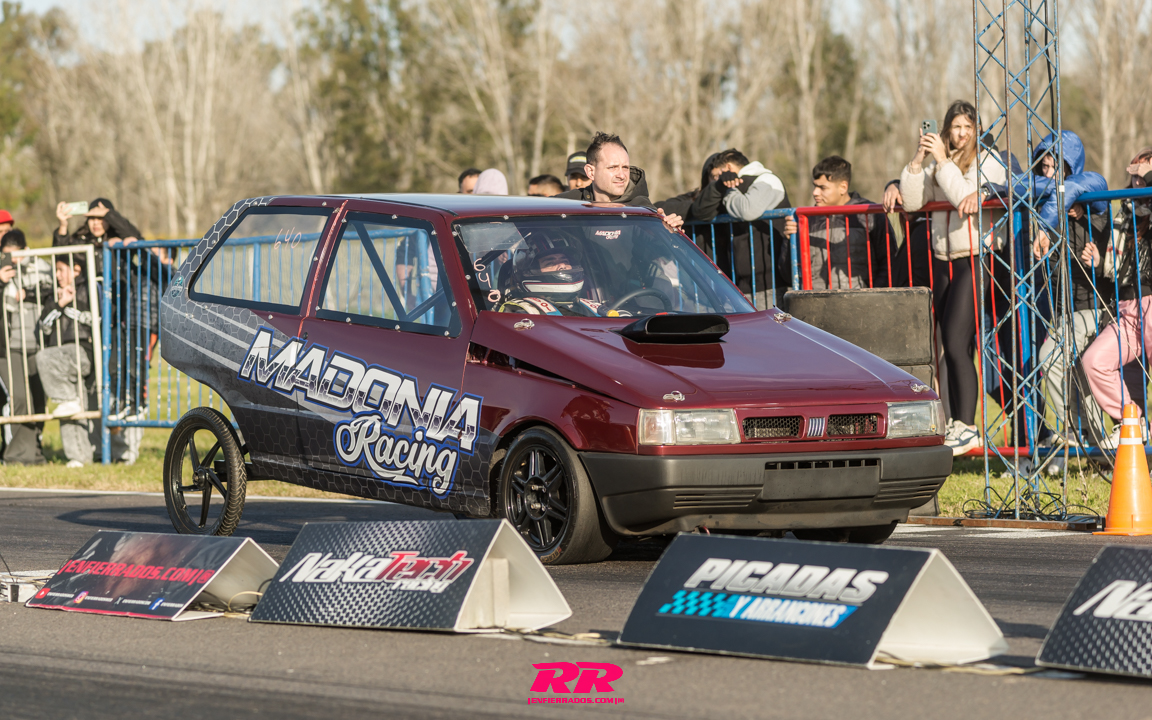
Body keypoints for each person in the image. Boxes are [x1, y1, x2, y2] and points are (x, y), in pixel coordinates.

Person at [899, 99, 1007, 456]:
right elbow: (913, 203)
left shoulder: (987, 161)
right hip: (945, 261)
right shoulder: (938, 164)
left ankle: (969, 426)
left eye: (967, 127)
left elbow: (963, 197)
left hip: (977, 258)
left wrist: (943, 161)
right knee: (949, 344)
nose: (961, 134)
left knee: (958, 341)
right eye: (955, 127)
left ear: (977, 130)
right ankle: (958, 424)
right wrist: (918, 161)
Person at [1021, 132, 1116, 453]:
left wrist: (1064, 204)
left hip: (1094, 306)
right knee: (1070, 372)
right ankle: (1090, 440)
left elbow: (1086, 183)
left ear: (1070, 166)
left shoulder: (1093, 201)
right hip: (1064, 310)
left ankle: (1082, 434)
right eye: (1044, 167)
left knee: (1053, 361)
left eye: (1055, 167)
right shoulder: (1049, 205)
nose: (1048, 174)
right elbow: (1018, 185)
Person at [54, 198, 153, 463]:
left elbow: (137, 238)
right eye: (92, 218)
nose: (97, 223)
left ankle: (124, 450)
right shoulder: (83, 242)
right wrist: (62, 225)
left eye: (102, 218)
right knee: (97, 384)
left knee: (121, 377)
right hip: (91, 322)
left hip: (120, 319)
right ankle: (100, 448)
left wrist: (110, 214)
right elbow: (61, 255)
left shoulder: (118, 241)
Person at [1083, 148, 1152, 449]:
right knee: (1094, 361)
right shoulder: (1124, 212)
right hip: (1126, 309)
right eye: (1135, 170)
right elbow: (1116, 267)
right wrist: (1099, 262)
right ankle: (1134, 424)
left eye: (1146, 170)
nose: (1139, 176)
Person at [686, 149, 790, 308]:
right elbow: (700, 212)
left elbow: (747, 210)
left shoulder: (768, 179)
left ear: (728, 168)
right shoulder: (726, 186)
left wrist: (729, 190)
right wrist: (718, 187)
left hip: (770, 284)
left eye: (718, 176)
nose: (717, 180)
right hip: (740, 285)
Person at [783, 156, 896, 290]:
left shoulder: (870, 214)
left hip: (859, 301)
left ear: (843, 187)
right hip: (815, 301)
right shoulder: (805, 219)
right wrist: (788, 241)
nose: (815, 192)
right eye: (815, 186)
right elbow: (787, 275)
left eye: (822, 187)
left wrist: (873, 296)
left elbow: (889, 262)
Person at [0, 229, 52, 465]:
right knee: (20, 398)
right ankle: (14, 455)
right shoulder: (2, 271)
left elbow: (52, 290)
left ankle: (34, 453)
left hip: (38, 344)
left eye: (16, 255)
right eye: (7, 255)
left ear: (26, 251)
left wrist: (27, 293)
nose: (13, 261)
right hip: (9, 347)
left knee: (38, 401)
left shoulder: (41, 267)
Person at [38, 255, 95, 467]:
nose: (58, 275)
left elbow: (94, 319)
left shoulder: (88, 289)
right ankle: (79, 457)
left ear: (76, 270)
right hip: (61, 359)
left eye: (62, 270)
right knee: (69, 406)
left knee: (44, 357)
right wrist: (58, 304)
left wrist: (70, 304)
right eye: (56, 270)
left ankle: (65, 399)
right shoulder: (53, 295)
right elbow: (43, 326)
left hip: (81, 352)